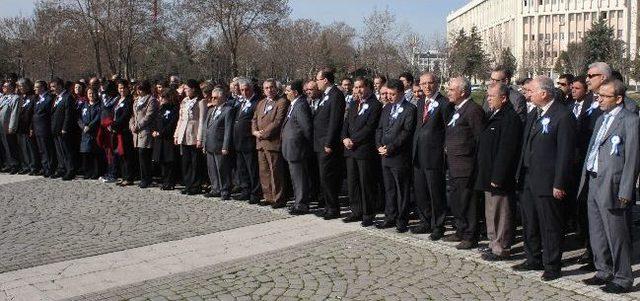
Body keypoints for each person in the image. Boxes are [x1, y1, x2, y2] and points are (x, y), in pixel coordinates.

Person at [578, 79, 638, 294]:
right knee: (597, 231)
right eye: (598, 95)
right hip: (594, 180)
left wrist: (626, 189)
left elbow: (632, 158)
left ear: (618, 98)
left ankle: (623, 277)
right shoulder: (602, 118)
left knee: (616, 233)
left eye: (604, 96)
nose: (599, 98)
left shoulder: (630, 120)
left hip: (613, 184)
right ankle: (604, 270)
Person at [514, 76, 576, 281]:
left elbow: (565, 153)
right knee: (530, 220)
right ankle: (533, 257)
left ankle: (552, 264)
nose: (527, 94)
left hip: (548, 180)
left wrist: (559, 182)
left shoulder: (563, 115)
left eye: (530, 91)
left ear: (544, 93)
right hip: (528, 177)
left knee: (550, 224)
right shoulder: (535, 113)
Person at [475, 82, 523, 261]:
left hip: (499, 176)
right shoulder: (493, 115)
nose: (488, 99)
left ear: (503, 98)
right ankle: (492, 243)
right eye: (487, 96)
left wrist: (499, 175)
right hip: (487, 173)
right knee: (490, 211)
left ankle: (502, 247)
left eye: (491, 96)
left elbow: (507, 150)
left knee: (501, 212)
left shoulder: (510, 118)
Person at [443, 76, 485, 249]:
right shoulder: (457, 109)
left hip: (466, 165)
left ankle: (470, 234)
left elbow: (479, 139)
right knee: (457, 200)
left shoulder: (473, 109)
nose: (448, 92)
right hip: (454, 165)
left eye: (452, 90)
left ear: (463, 91)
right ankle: (461, 229)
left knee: (469, 202)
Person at [411, 72, 449, 239]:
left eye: (430, 83)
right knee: (421, 191)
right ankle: (425, 221)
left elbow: (448, 130)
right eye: (423, 83)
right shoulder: (420, 102)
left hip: (434, 156)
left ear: (436, 83)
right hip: (418, 155)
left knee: (436, 193)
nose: (426, 86)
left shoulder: (444, 103)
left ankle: (438, 225)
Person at [375, 79, 416, 233]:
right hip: (384, 155)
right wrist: (379, 145)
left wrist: (390, 148)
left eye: (392, 94)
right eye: (388, 94)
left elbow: (406, 133)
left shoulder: (409, 109)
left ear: (400, 93)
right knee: (389, 188)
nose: (389, 97)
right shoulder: (386, 108)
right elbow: (379, 128)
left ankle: (402, 219)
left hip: (399, 156)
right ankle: (390, 217)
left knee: (401, 189)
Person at [341, 77, 382, 227]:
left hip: (364, 150)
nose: (358, 90)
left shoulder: (375, 105)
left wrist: (354, 140)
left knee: (366, 183)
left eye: (361, 87)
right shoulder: (353, 103)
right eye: (356, 87)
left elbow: (370, 128)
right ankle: (355, 210)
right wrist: (344, 137)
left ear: (368, 88)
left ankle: (368, 213)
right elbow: (346, 123)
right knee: (353, 183)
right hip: (350, 150)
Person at [313, 67, 346, 219]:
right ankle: (327, 206)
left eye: (318, 79)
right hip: (319, 142)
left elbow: (335, 120)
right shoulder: (325, 95)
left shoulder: (336, 95)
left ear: (325, 80)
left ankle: (333, 208)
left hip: (328, 144)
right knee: (323, 177)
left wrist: (329, 142)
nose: (316, 83)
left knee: (329, 177)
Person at [252, 79, 289, 208]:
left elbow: (278, 122)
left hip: (273, 142)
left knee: (275, 172)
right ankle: (268, 196)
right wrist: (255, 132)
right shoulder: (261, 103)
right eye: (266, 88)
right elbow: (254, 119)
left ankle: (278, 198)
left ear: (276, 88)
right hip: (260, 142)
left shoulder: (281, 102)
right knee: (264, 171)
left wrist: (264, 133)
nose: (269, 90)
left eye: (271, 87)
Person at [282, 80, 313, 215]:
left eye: (288, 91)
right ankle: (298, 202)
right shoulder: (293, 104)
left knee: (300, 178)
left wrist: (304, 145)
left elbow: (306, 128)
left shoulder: (300, 105)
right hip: (291, 148)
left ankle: (301, 204)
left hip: (298, 148)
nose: (286, 93)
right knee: (295, 178)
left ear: (295, 92)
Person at [203, 87, 235, 200]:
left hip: (220, 144)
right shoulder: (211, 110)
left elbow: (228, 129)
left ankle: (225, 190)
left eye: (215, 97)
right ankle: (215, 188)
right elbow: (206, 127)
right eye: (212, 97)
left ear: (222, 97)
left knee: (222, 169)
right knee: (212, 168)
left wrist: (225, 146)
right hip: (210, 144)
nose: (213, 99)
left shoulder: (228, 110)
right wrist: (204, 143)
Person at [234, 78, 262, 203]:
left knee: (252, 169)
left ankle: (255, 192)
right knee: (242, 169)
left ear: (251, 89)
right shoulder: (242, 103)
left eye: (246, 89)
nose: (244, 92)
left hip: (249, 141)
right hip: (239, 141)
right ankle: (245, 190)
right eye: (242, 90)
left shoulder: (257, 102)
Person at [174, 79, 205, 195]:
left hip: (194, 132)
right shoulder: (184, 101)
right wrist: (176, 134)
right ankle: (188, 184)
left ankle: (196, 185)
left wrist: (200, 137)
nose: (185, 91)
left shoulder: (201, 102)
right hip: (184, 132)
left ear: (194, 89)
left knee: (195, 161)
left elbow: (202, 120)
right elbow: (180, 118)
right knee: (186, 161)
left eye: (187, 88)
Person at [130, 80, 158, 188]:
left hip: (145, 130)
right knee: (140, 155)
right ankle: (143, 177)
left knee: (144, 154)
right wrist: (132, 125)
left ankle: (147, 178)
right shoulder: (137, 100)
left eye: (140, 89)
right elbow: (133, 115)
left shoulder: (151, 100)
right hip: (136, 132)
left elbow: (149, 116)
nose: (138, 91)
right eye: (137, 89)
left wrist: (138, 126)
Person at [152, 88, 180, 190]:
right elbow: (156, 120)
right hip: (159, 138)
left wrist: (162, 132)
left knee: (169, 161)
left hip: (168, 138)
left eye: (163, 97)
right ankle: (164, 180)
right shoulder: (161, 108)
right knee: (161, 160)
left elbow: (172, 123)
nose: (161, 99)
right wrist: (154, 130)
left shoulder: (175, 108)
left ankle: (170, 182)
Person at [50, 78, 77, 180]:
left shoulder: (68, 97)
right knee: (59, 150)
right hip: (55, 128)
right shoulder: (56, 98)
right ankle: (62, 168)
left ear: (60, 86)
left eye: (54, 86)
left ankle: (70, 170)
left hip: (63, 129)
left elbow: (68, 114)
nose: (52, 89)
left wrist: (65, 128)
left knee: (66, 150)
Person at [112, 79, 135, 186]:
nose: (121, 90)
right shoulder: (118, 100)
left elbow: (126, 115)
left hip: (125, 130)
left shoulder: (129, 100)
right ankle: (123, 175)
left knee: (127, 154)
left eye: (123, 88)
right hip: (117, 131)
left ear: (127, 88)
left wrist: (115, 124)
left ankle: (129, 177)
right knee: (120, 154)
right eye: (119, 88)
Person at [16, 78, 41, 175]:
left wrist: (31, 127)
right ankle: (25, 165)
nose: (20, 88)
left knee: (31, 148)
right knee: (23, 148)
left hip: (29, 126)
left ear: (26, 86)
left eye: (21, 86)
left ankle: (34, 166)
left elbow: (33, 113)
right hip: (21, 126)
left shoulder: (33, 97)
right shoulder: (22, 97)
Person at [97, 80, 119, 183]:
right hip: (103, 125)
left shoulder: (117, 98)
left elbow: (114, 111)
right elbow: (103, 109)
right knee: (106, 151)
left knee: (112, 151)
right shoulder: (104, 97)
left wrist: (111, 124)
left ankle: (113, 173)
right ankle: (108, 171)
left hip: (111, 126)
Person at [32, 80, 56, 177]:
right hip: (37, 128)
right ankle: (45, 167)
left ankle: (50, 168)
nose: (34, 89)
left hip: (45, 127)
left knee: (47, 149)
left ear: (42, 88)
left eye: (37, 87)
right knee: (41, 150)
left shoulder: (49, 98)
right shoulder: (37, 99)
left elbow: (50, 114)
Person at [78, 86, 102, 179]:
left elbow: (98, 118)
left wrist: (90, 126)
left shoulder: (99, 105)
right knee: (85, 153)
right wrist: (83, 126)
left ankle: (96, 172)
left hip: (94, 132)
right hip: (84, 132)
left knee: (94, 153)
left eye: (92, 93)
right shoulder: (84, 105)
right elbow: (79, 117)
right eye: (89, 93)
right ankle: (87, 172)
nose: (91, 95)